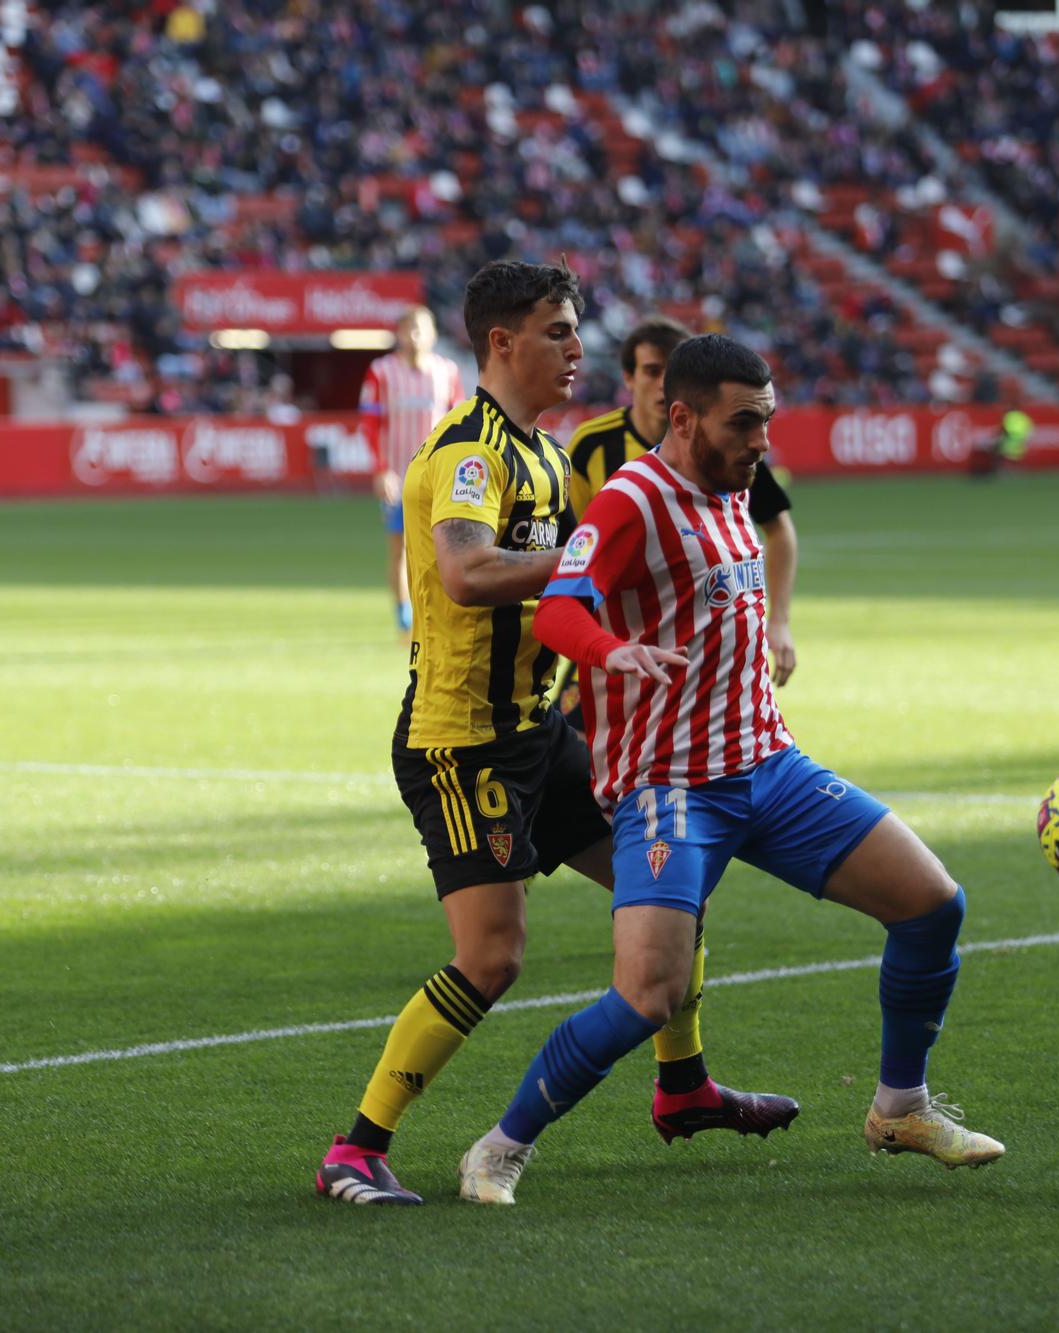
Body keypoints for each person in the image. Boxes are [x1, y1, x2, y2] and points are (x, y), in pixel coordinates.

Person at [457, 335, 1003, 1206]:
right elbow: (560, 607)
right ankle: (500, 1145)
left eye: (768, 421)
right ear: (683, 417)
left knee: (934, 904)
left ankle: (901, 1107)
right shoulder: (634, 497)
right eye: (744, 423)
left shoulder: (735, 487)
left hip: (771, 766)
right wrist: (611, 652)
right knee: (647, 995)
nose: (761, 440)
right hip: (672, 789)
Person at [316, 266, 794, 1208]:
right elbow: (463, 570)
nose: (578, 351)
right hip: (466, 741)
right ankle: (356, 1147)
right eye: (559, 333)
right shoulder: (467, 452)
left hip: (544, 730)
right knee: (493, 957)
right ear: (503, 343)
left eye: (576, 334)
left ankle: (683, 1085)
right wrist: (582, 563)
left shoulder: (543, 451)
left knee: (672, 894)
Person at [556, 315, 800, 714]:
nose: (661, 384)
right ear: (629, 378)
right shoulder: (592, 445)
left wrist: (779, 621)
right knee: (576, 751)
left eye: (671, 372)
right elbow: (573, 548)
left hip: (701, 645)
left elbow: (780, 530)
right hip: (618, 639)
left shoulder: (729, 449)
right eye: (652, 371)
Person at [358, 306, 462, 634]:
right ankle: (405, 619)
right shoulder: (381, 372)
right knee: (401, 547)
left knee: (443, 546)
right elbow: (369, 424)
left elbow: (457, 423)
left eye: (420, 329)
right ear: (399, 334)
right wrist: (381, 469)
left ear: (433, 334)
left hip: (438, 478)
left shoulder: (447, 371)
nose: (414, 336)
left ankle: (438, 613)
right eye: (408, 329)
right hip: (399, 478)